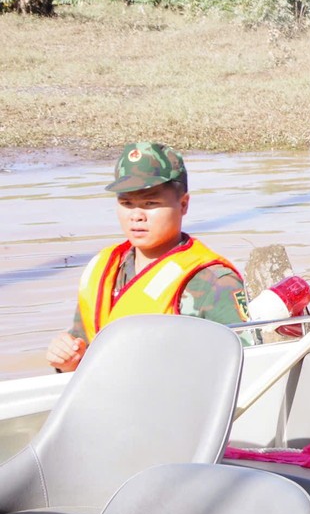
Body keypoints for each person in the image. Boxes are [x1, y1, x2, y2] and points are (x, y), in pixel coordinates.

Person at [46, 142, 250, 372]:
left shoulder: (214, 281)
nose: (136, 216)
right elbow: (81, 348)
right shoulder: (104, 269)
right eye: (126, 203)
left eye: (150, 203)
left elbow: (245, 364)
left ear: (183, 204)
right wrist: (66, 359)